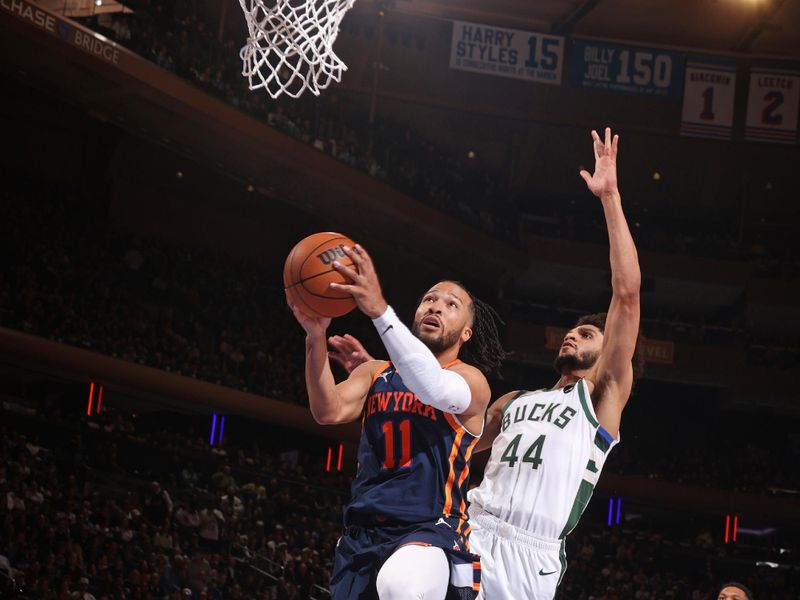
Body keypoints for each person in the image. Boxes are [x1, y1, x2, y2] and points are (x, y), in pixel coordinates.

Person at [466, 127, 643, 599]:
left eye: (587, 334)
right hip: (473, 531)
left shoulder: (601, 398)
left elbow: (626, 296)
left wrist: (610, 199)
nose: (571, 334)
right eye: (573, 330)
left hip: (532, 556)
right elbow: (452, 449)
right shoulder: (513, 401)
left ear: (607, 354)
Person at [286, 244, 505, 600]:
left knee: (400, 588)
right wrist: (315, 339)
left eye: (452, 305)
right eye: (429, 299)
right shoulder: (376, 372)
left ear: (466, 333)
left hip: (428, 529)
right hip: (362, 531)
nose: (436, 306)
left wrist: (378, 310)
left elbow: (430, 385)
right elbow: (327, 411)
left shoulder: (471, 381)